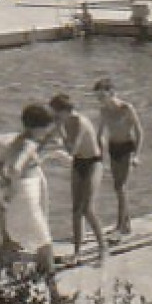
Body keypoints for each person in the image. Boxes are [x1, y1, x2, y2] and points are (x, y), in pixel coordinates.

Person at [0, 103, 71, 302]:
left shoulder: (19, 140)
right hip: (27, 197)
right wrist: (14, 182)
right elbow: (15, 167)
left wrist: (8, 187)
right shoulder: (29, 144)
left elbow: (5, 165)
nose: (47, 130)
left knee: (11, 240)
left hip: (20, 197)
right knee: (45, 244)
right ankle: (54, 294)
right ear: (37, 127)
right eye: (46, 127)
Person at [50, 94, 108, 265]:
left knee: (87, 209)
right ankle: (77, 252)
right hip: (78, 163)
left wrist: (59, 131)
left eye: (56, 113)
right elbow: (48, 137)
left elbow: (71, 149)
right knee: (76, 210)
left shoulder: (79, 122)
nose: (54, 116)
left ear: (65, 111)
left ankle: (103, 248)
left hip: (93, 163)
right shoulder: (64, 121)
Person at [95, 78, 143, 239]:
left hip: (127, 148)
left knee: (120, 186)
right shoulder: (104, 111)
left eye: (102, 96)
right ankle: (125, 224)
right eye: (98, 97)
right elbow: (100, 133)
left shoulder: (126, 108)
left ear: (111, 93)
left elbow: (139, 132)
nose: (100, 100)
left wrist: (137, 155)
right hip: (113, 148)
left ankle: (120, 226)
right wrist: (98, 154)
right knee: (118, 187)